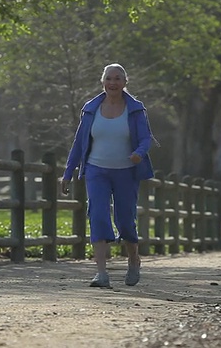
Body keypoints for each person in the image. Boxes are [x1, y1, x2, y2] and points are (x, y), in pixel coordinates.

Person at [60, 63, 156, 288]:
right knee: (98, 215)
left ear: (125, 83)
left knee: (124, 220)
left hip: (126, 171)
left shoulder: (135, 109)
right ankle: (101, 273)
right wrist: (67, 173)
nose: (113, 83)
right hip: (96, 170)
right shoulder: (91, 108)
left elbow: (146, 138)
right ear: (102, 82)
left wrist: (138, 153)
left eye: (117, 79)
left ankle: (134, 259)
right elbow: (78, 144)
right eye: (109, 79)